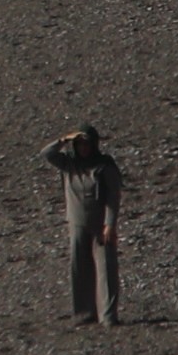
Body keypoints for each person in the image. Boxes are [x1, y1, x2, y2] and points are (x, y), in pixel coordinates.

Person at [42, 127, 123, 324]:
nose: (84, 148)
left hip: (100, 225)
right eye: (79, 144)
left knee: (106, 269)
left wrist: (110, 224)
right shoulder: (69, 164)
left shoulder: (105, 166)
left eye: (87, 144)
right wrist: (63, 139)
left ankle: (108, 316)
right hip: (77, 224)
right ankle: (85, 313)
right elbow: (46, 154)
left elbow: (113, 197)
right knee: (80, 269)